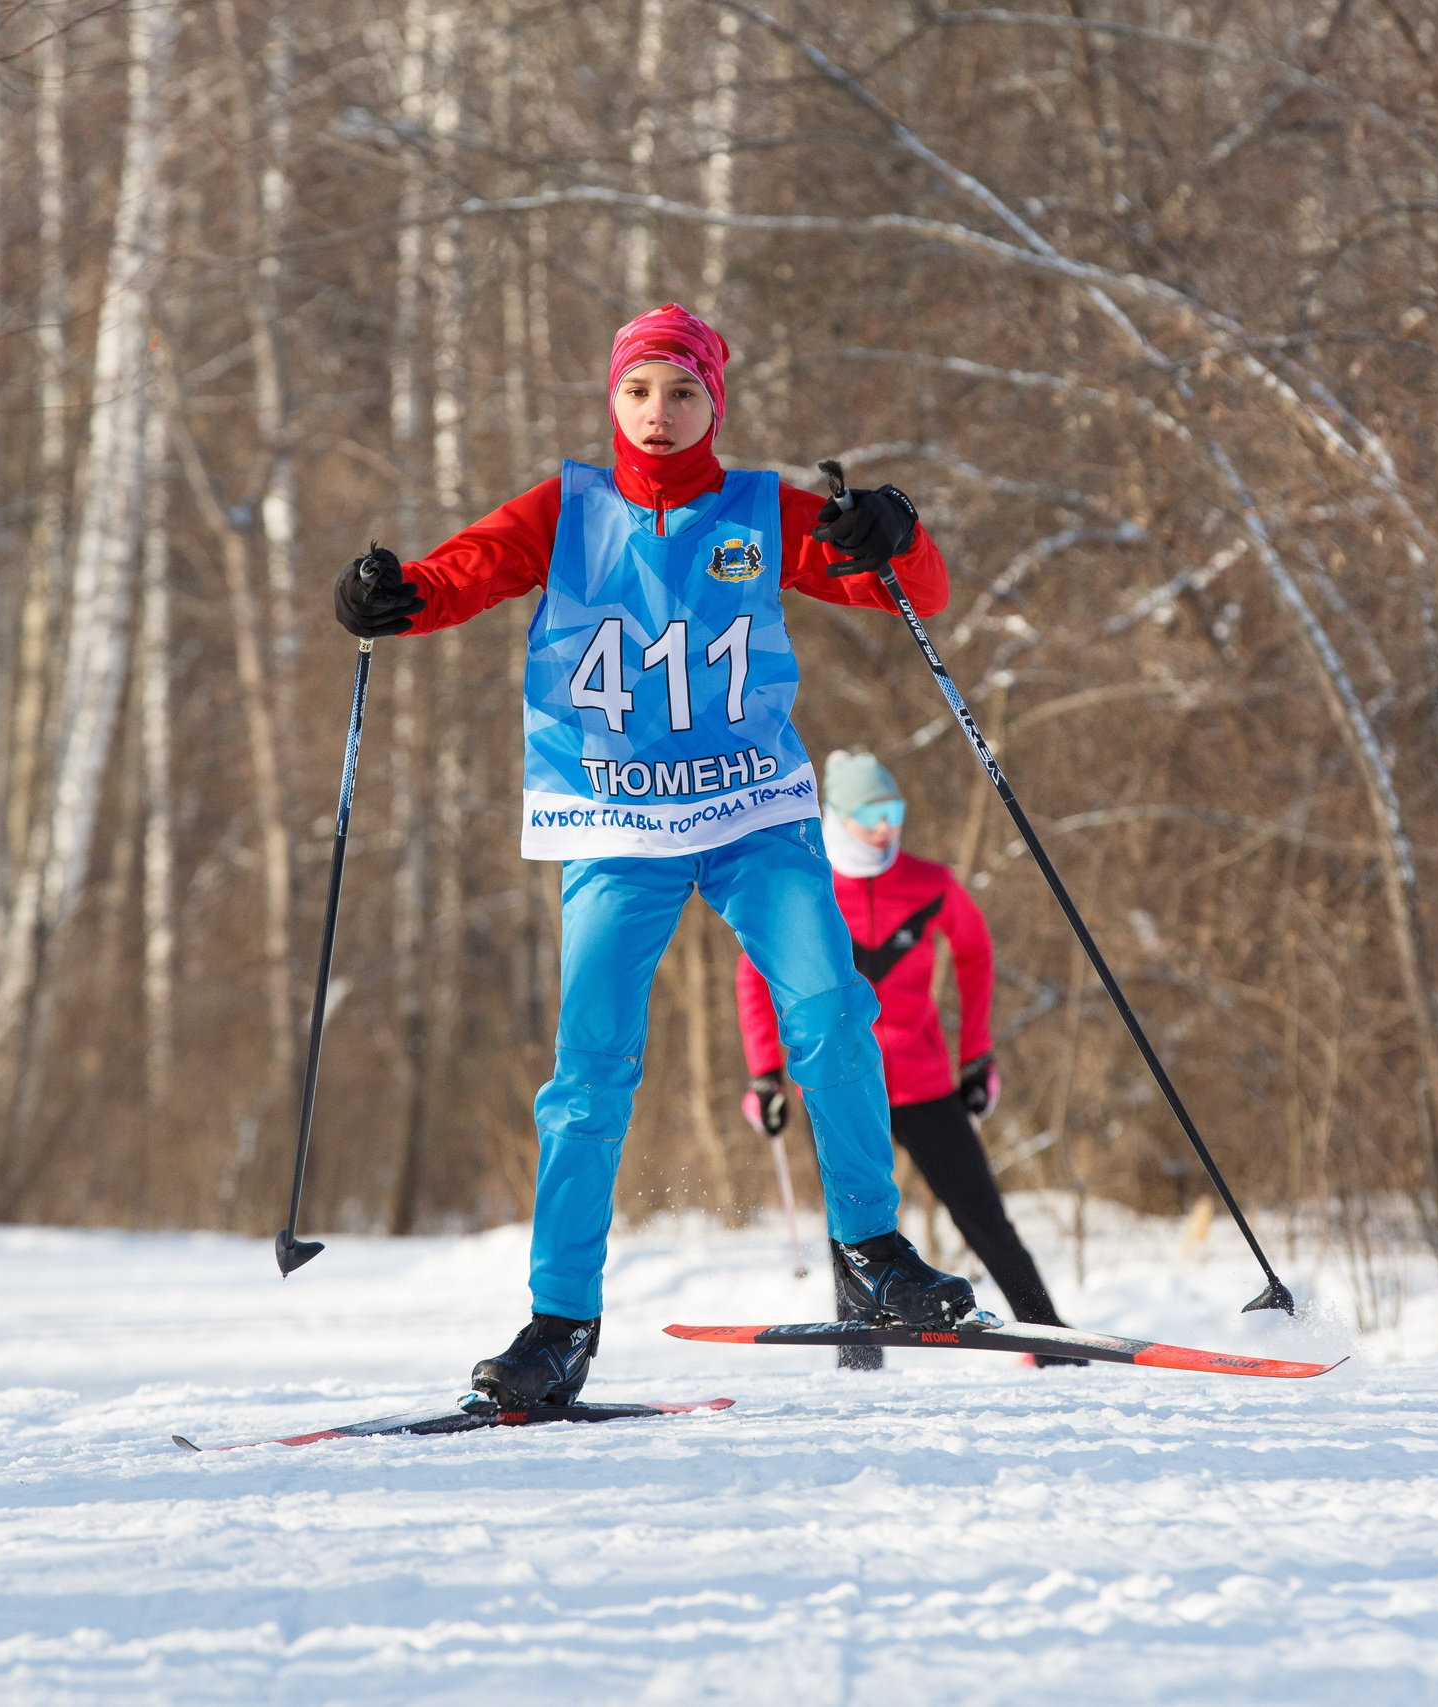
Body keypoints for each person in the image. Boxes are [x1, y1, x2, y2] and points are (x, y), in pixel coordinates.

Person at [333, 303, 979, 1407]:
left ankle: (873, 1258)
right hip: (613, 822)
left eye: (682, 392)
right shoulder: (565, 510)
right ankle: (559, 1325)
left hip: (752, 815)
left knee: (829, 1009)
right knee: (588, 1069)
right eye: (639, 391)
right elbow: (457, 576)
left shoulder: (764, 510)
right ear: (612, 400)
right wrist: (387, 598)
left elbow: (916, 595)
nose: (659, 413)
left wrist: (892, 530)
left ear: (713, 403)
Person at [736, 750, 1083, 1369]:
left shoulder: (930, 883)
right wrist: (765, 1073)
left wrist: (976, 1055)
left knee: (983, 1216)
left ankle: (1047, 1336)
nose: (885, 826)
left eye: (893, 811)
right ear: (836, 817)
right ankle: (860, 1358)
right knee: (853, 1228)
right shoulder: (807, 885)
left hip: (923, 1083)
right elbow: (753, 975)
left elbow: (976, 953)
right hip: (843, 1084)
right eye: (870, 813)